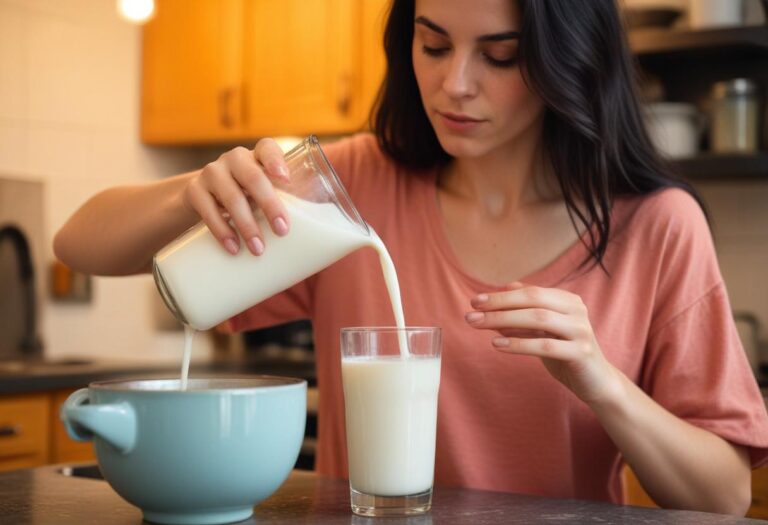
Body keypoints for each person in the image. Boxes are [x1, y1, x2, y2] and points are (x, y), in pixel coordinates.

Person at [54, 0, 768, 515]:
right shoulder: (355, 187)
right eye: (433, 44)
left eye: (500, 54)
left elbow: (725, 495)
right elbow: (78, 244)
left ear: (569, 58)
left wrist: (602, 381)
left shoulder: (655, 227)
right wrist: (197, 192)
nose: (455, 83)